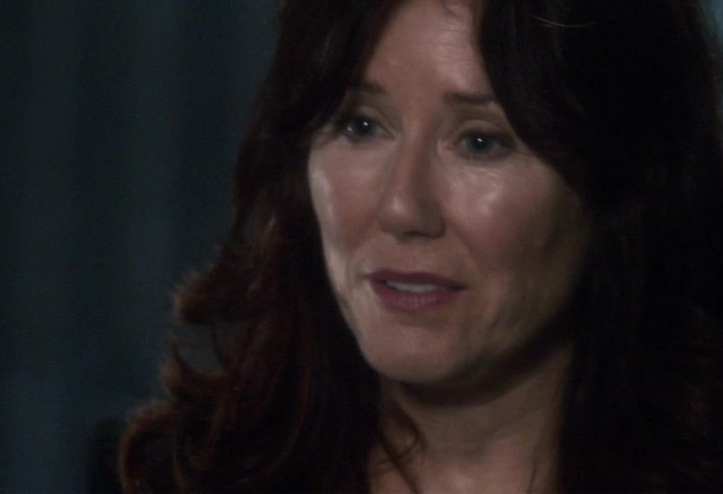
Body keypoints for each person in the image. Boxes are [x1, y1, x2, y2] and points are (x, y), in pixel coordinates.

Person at [119, 0, 723, 491]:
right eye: (360, 125)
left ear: (624, 182)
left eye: (481, 142)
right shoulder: (168, 479)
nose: (401, 207)